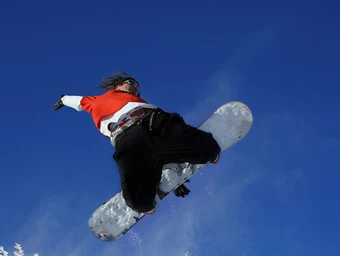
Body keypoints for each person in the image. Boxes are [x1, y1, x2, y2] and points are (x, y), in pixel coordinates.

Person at [53, 70, 220, 215]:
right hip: (127, 141)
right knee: (140, 204)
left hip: (153, 122)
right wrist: (63, 99)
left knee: (211, 149)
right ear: (118, 86)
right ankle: (160, 176)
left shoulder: (135, 100)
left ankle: (176, 165)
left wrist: (177, 180)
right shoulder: (97, 100)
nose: (134, 88)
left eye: (137, 88)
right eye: (131, 83)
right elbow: (77, 101)